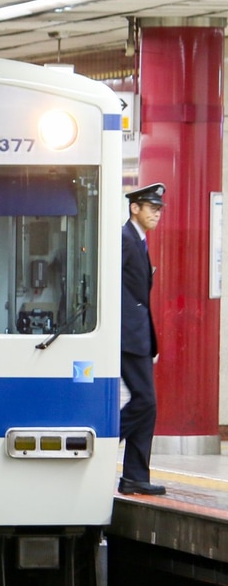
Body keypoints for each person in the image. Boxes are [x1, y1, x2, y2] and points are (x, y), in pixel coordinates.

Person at [118, 182, 167, 496]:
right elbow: (114, 287)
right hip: (126, 336)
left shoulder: (139, 241)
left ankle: (135, 475)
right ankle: (106, 436)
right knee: (146, 401)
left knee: (147, 405)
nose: (157, 215)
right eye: (152, 208)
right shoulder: (124, 239)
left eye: (160, 210)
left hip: (138, 337)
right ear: (134, 207)